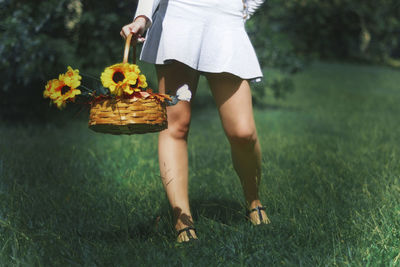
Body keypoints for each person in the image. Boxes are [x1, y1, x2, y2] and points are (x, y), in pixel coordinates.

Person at [120, 0, 270, 243]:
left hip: (225, 19)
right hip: (178, 14)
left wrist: (245, 9)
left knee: (243, 132)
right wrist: (142, 18)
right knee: (176, 125)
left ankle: (254, 202)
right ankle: (182, 222)